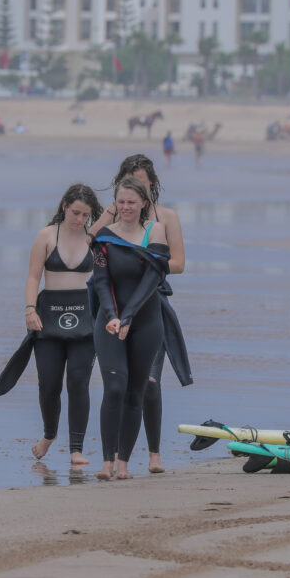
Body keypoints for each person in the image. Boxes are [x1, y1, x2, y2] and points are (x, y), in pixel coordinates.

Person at [92, 155, 191, 474]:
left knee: (149, 382)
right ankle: (114, 458)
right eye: (128, 181)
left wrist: (143, 260)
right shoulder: (116, 214)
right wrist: (116, 210)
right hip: (115, 305)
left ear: (151, 186)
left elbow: (176, 264)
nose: (134, 188)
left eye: (142, 182)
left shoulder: (165, 219)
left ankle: (153, 454)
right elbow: (92, 248)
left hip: (152, 301)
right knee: (116, 384)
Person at [0, 184, 103, 465]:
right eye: (75, 212)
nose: (79, 219)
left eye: (85, 215)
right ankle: (49, 434)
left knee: (78, 382)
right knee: (48, 383)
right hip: (49, 315)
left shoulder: (95, 238)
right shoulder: (46, 235)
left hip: (85, 317)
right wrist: (30, 309)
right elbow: (33, 277)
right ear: (64, 205)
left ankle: (76, 448)